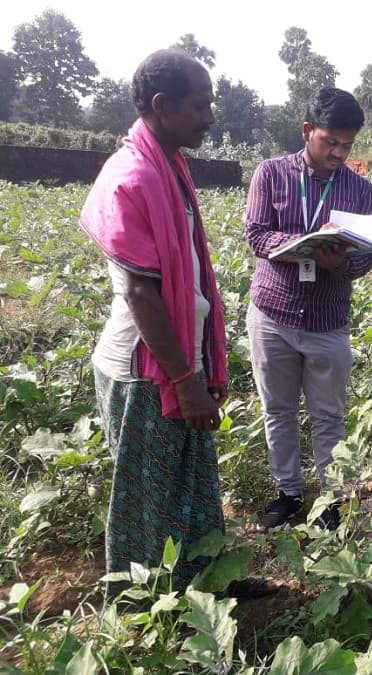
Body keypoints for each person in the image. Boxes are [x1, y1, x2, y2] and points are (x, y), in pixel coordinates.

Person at [79, 49, 230, 598]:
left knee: (189, 488)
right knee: (147, 504)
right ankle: (140, 614)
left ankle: (205, 588)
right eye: (200, 105)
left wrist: (199, 363)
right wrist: (185, 380)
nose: (210, 117)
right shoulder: (132, 176)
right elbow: (142, 294)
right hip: (147, 372)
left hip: (175, 361)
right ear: (162, 106)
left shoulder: (170, 164)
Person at [244, 88, 372, 531]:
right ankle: (287, 494)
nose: (339, 153)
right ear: (307, 132)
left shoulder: (360, 190)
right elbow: (258, 236)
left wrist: (340, 262)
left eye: (347, 145)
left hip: (327, 320)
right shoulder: (271, 174)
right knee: (278, 410)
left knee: (328, 416)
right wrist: (296, 246)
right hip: (272, 314)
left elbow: (368, 256)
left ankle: (332, 502)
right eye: (330, 143)